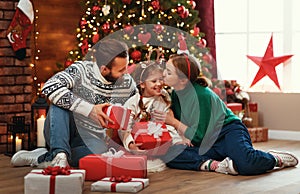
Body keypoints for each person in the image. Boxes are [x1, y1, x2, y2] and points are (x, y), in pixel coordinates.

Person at [161, 53, 298, 175]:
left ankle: (275, 159)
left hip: (227, 132)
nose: (163, 74)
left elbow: (199, 135)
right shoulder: (175, 94)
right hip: (207, 143)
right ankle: (216, 165)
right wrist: (182, 137)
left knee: (246, 164)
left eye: (168, 72)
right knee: (169, 154)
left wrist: (173, 122)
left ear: (183, 80)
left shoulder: (201, 95)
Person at [11, 38, 137, 168]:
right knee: (59, 101)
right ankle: (59, 151)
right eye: (121, 70)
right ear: (104, 69)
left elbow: (133, 110)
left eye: (126, 67)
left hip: (91, 139)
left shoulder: (127, 84)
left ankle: (49, 156)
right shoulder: (80, 70)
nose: (126, 73)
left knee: (100, 152)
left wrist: (131, 142)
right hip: (62, 129)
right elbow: (49, 86)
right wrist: (90, 110)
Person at [120, 60, 191, 172]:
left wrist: (177, 140)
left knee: (183, 150)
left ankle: (206, 162)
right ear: (142, 84)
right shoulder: (132, 103)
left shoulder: (163, 98)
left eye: (160, 80)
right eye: (153, 81)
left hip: (162, 144)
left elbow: (167, 123)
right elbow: (125, 129)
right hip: (141, 144)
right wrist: (131, 145)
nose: (159, 84)